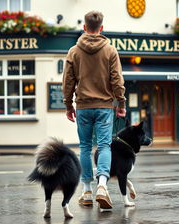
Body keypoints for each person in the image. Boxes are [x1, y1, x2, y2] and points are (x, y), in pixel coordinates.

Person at [62, 11, 126, 209]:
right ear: (102, 28)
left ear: (84, 27)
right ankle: (102, 186)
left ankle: (87, 191)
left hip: (83, 107)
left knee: (85, 147)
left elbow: (67, 81)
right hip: (104, 107)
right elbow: (117, 80)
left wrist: (68, 105)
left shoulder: (74, 51)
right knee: (104, 146)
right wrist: (121, 103)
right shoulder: (110, 50)